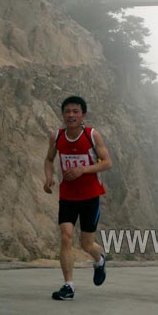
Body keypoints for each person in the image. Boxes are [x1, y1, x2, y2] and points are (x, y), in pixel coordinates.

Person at [44, 96, 113, 300]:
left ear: (83, 115)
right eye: (67, 111)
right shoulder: (57, 136)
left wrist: (83, 169)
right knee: (66, 236)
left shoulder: (92, 135)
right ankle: (69, 286)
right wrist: (48, 177)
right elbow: (49, 159)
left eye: (75, 111)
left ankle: (99, 260)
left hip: (90, 196)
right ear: (63, 114)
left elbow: (107, 162)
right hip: (67, 196)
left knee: (86, 244)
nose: (71, 115)